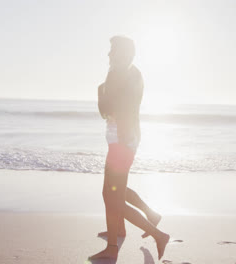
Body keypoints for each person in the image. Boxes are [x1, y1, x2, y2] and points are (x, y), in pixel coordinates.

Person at [89, 36, 170, 261]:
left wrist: (100, 91)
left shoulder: (120, 74)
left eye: (112, 50)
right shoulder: (129, 73)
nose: (108, 55)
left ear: (122, 53)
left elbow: (108, 109)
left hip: (122, 141)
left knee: (111, 195)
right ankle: (126, 227)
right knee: (115, 190)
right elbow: (114, 109)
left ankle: (154, 236)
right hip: (124, 138)